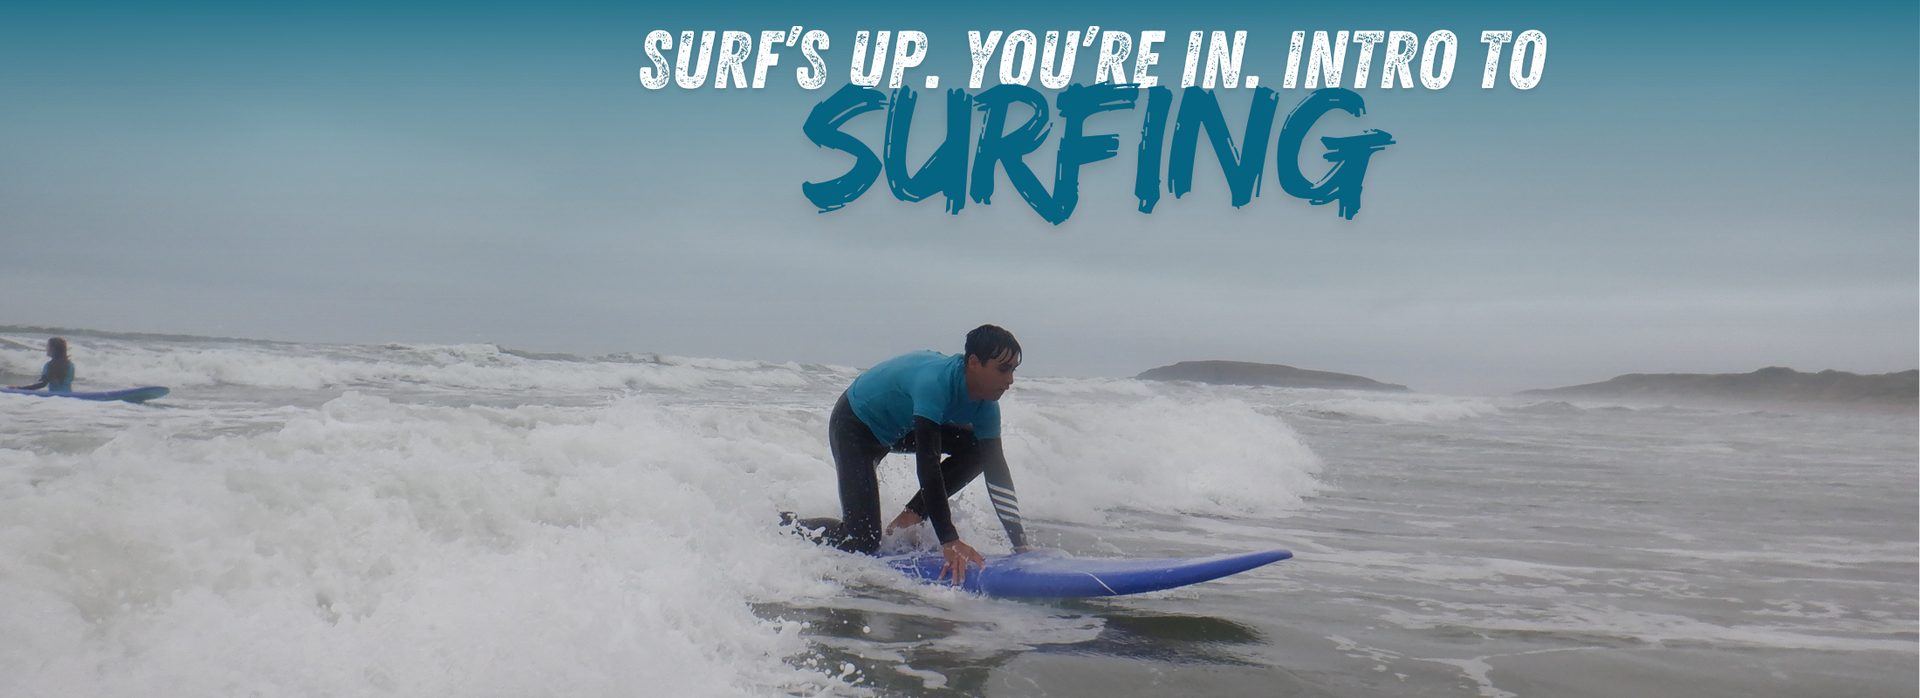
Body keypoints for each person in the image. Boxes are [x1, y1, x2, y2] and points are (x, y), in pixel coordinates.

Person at [807, 324, 1032, 585]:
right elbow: (928, 465)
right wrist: (949, 539)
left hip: (900, 427)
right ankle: (790, 526)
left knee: (979, 450)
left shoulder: (987, 407)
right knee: (863, 541)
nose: (1010, 380)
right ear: (974, 363)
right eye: (1003, 369)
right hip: (855, 424)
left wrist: (1020, 546)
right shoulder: (936, 383)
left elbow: (997, 472)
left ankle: (909, 517)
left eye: (1013, 370)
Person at [10, 337, 75, 392]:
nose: (46, 349)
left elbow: (42, 384)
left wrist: (19, 388)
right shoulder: (71, 365)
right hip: (68, 398)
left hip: (54, 398)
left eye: (48, 347)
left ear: (53, 349)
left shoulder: (49, 365)